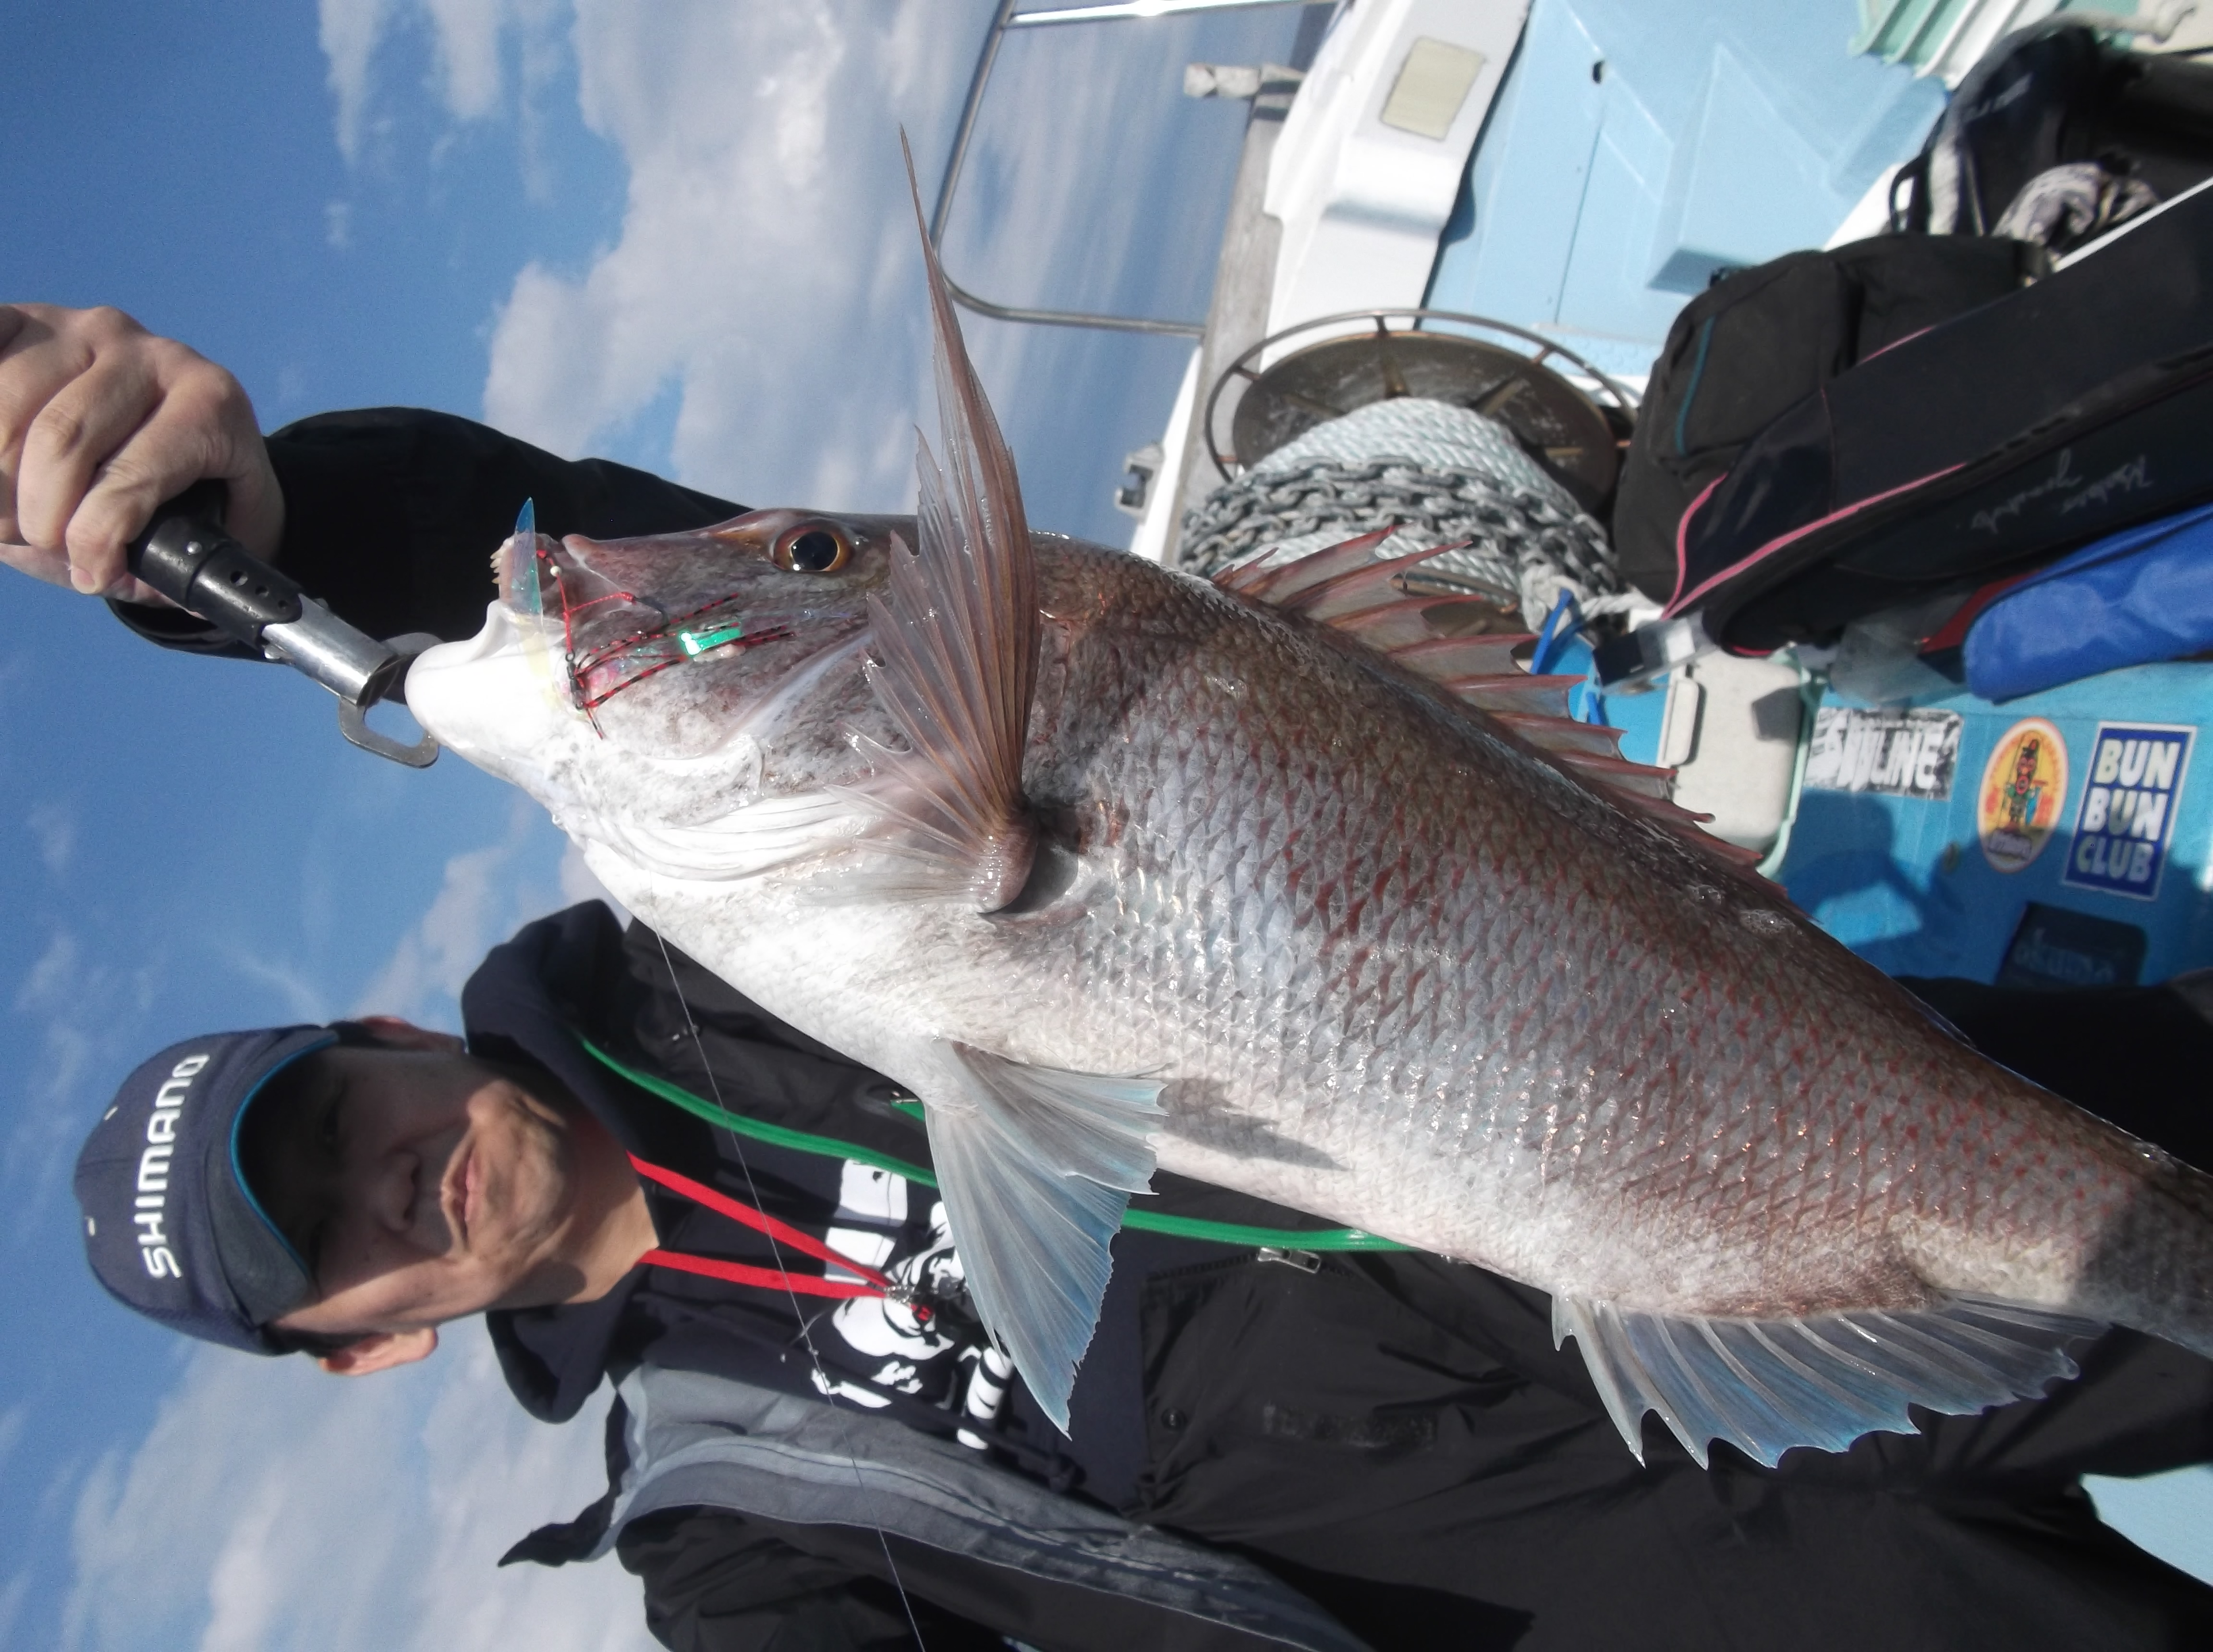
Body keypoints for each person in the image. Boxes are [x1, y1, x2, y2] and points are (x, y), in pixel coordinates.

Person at [15, 300, 2213, 1652]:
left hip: (1644, 1102)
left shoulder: (686, 933)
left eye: (331, 1121)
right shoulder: (714, 1518)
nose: (386, 1183)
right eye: (321, 1237)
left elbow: (606, 572)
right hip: (1548, 1573)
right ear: (356, 1355)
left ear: (391, 1035)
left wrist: (265, 524)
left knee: (2155, 1190)